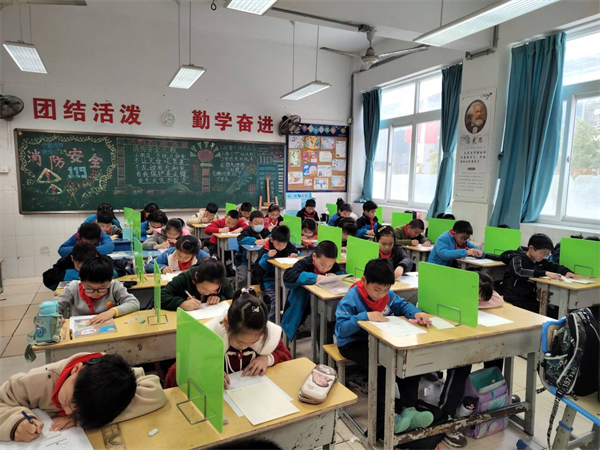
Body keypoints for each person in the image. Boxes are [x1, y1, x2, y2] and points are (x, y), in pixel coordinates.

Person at [335, 258, 433, 438]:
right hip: (352, 343)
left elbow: (401, 304)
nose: (381, 295)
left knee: (406, 358)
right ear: (364, 281)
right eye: (376, 289)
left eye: (386, 290)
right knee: (382, 367)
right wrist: (364, 316)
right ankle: (382, 421)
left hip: (378, 339)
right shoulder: (352, 297)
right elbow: (342, 329)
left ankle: (409, 410)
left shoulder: (387, 295)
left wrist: (416, 312)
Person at [0, 352, 166, 443]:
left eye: (74, 410)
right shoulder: (36, 381)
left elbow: (154, 392)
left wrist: (80, 419)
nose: (67, 412)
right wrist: (14, 424)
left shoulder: (117, 377)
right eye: (67, 402)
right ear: (76, 370)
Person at [164, 288, 292, 390]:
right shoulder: (210, 337)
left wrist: (268, 358)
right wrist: (205, 371)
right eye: (240, 342)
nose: (245, 347)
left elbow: (287, 357)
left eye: (253, 342)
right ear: (226, 324)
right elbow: (175, 375)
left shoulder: (264, 334)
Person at [438, 270, 505, 448]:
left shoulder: (480, 298)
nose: (479, 301)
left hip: (476, 334)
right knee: (461, 366)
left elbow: (498, 300)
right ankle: (447, 415)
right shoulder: (451, 293)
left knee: (497, 356)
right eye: (477, 297)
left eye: (482, 299)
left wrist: (476, 302)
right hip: (450, 339)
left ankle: (489, 401)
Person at [500, 233, 578, 317]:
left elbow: (554, 266)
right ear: (531, 248)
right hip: (515, 297)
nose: (543, 256)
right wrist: (544, 273)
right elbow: (519, 272)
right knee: (544, 312)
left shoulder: (539, 260)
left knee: (554, 312)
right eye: (542, 253)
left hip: (530, 296)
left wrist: (566, 272)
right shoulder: (517, 259)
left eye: (546, 254)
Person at [281, 241, 344, 340]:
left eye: (330, 266)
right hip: (302, 309)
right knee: (321, 326)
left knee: (331, 324)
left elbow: (342, 273)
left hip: (322, 307)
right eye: (322, 264)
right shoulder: (304, 263)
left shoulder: (331, 265)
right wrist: (316, 277)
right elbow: (288, 276)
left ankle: (326, 348)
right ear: (314, 256)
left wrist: (336, 276)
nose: (325, 268)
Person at [54, 256, 140, 323]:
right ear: (81, 281)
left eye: (102, 288)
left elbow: (134, 303)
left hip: (108, 326)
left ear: (110, 281)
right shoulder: (73, 288)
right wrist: (56, 316)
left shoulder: (114, 286)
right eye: (89, 289)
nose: (95, 293)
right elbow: (54, 306)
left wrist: (112, 312)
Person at [254, 225, 298, 321]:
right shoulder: (265, 250)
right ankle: (272, 322)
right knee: (278, 298)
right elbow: (257, 272)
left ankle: (287, 321)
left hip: (285, 280)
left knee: (295, 295)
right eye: (278, 244)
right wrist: (266, 257)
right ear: (271, 240)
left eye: (284, 245)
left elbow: (298, 255)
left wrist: (295, 255)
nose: (281, 247)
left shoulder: (290, 247)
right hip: (269, 282)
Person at [161, 258, 234, 311]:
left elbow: (232, 300)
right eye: (204, 289)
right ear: (196, 276)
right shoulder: (183, 279)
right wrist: (181, 303)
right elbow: (160, 297)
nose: (207, 293)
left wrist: (220, 298)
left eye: (214, 290)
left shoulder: (223, 281)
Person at [235, 211, 270, 285]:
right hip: (243, 261)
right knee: (244, 278)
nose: (259, 225)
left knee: (263, 276)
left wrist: (268, 239)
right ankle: (241, 291)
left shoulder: (265, 231)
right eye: (256, 224)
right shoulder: (247, 230)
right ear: (250, 223)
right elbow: (240, 239)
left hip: (259, 260)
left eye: (261, 223)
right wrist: (255, 241)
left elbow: (271, 236)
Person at [144, 235, 208, 274]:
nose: (181, 259)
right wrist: (162, 268)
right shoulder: (170, 253)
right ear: (176, 249)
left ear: (193, 255)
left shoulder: (202, 256)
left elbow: (211, 270)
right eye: (179, 255)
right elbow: (149, 266)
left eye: (186, 257)